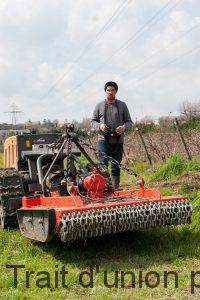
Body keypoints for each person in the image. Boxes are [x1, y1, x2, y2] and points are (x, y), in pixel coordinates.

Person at [91, 81, 133, 188]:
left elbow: (129, 122)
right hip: (103, 140)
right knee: (103, 164)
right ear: (105, 91)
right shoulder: (99, 105)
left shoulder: (122, 105)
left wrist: (124, 127)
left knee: (116, 165)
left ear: (116, 91)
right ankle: (104, 187)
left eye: (112, 90)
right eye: (108, 90)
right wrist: (100, 126)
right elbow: (93, 122)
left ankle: (115, 188)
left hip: (118, 140)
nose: (110, 92)